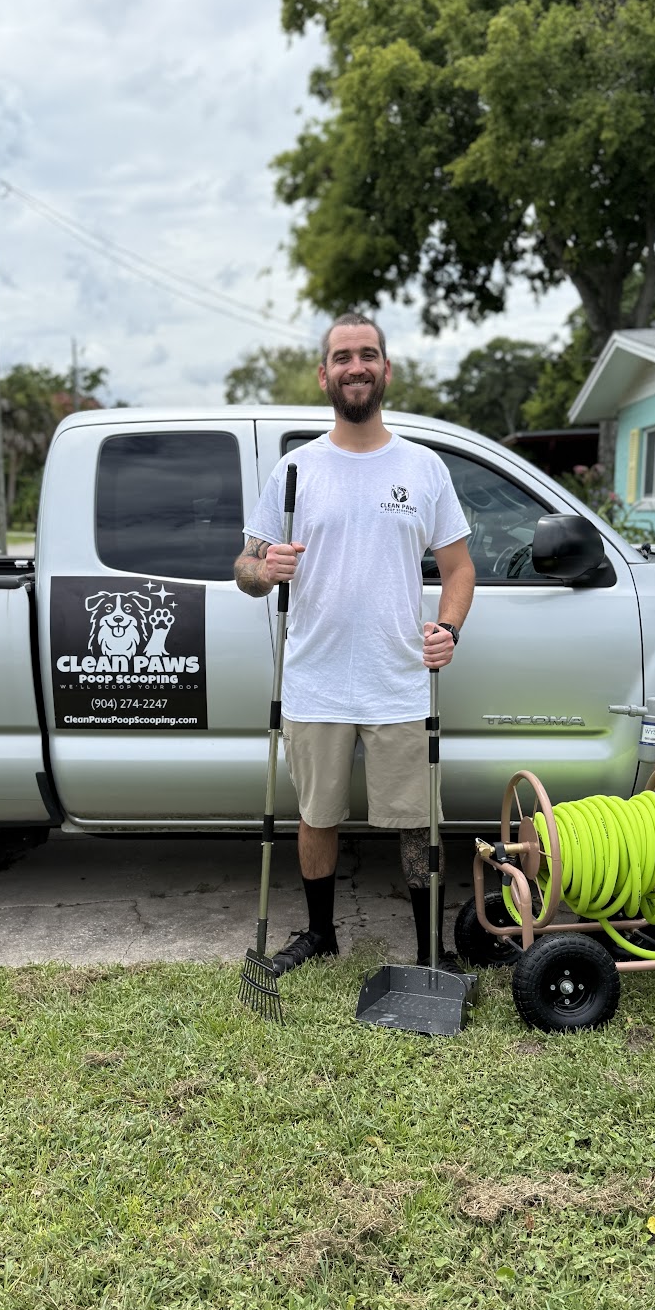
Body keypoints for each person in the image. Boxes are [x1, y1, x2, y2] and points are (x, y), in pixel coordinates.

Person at [235, 311, 475, 975]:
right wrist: (266, 569)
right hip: (315, 679)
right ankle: (320, 935)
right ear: (325, 374)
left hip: (399, 675)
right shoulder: (294, 471)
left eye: (368, 354)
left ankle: (432, 949)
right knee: (318, 814)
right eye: (342, 357)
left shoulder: (423, 469)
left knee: (418, 821)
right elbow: (244, 570)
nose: (356, 366)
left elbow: (459, 570)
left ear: (386, 368)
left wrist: (447, 629)